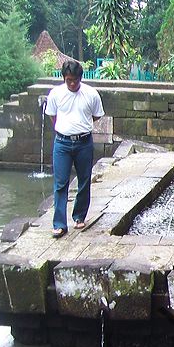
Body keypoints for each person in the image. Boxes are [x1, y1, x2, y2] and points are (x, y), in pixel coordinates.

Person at [45, 60, 105, 238]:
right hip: (62, 143)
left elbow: (97, 115)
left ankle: (79, 216)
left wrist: (81, 125)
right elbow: (52, 116)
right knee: (60, 183)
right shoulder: (56, 94)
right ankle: (59, 224)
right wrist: (64, 129)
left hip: (83, 142)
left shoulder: (91, 94)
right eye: (69, 80)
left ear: (80, 78)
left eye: (75, 80)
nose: (72, 84)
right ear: (64, 78)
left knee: (84, 180)